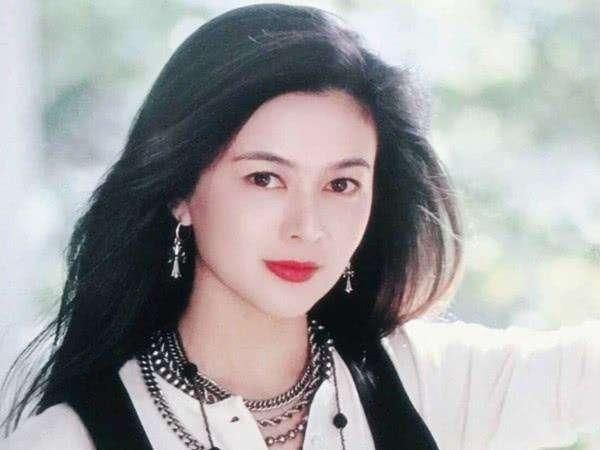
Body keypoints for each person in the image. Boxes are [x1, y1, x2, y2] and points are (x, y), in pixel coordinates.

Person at [1, 3, 599, 450]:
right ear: (181, 190)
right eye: (265, 178)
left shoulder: (423, 382)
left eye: (341, 185)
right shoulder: (68, 439)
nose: (307, 227)